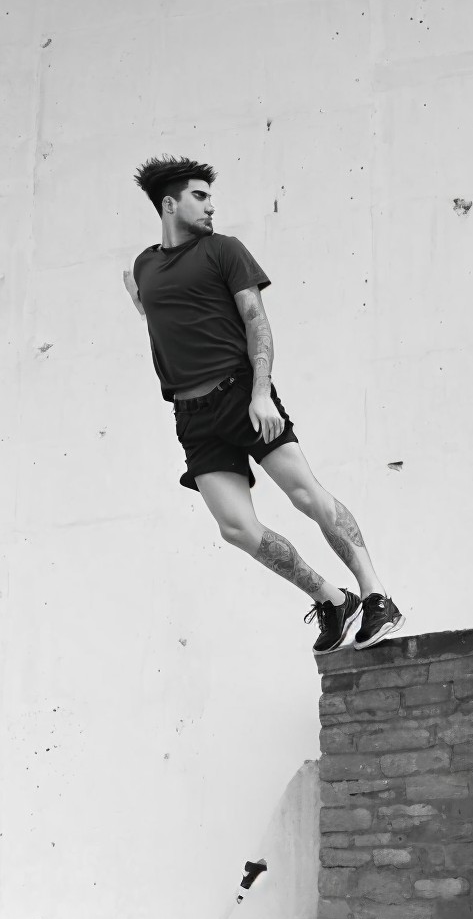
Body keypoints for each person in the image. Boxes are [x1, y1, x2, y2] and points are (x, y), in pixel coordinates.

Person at [124, 155, 403, 654]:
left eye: (210, 196)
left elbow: (258, 322)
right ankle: (331, 598)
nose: (211, 206)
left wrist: (260, 392)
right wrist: (138, 294)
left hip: (240, 394)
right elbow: (158, 312)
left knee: (305, 494)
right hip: (192, 416)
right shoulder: (145, 266)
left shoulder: (225, 251)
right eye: (200, 196)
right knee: (235, 527)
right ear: (169, 204)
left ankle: (376, 593)